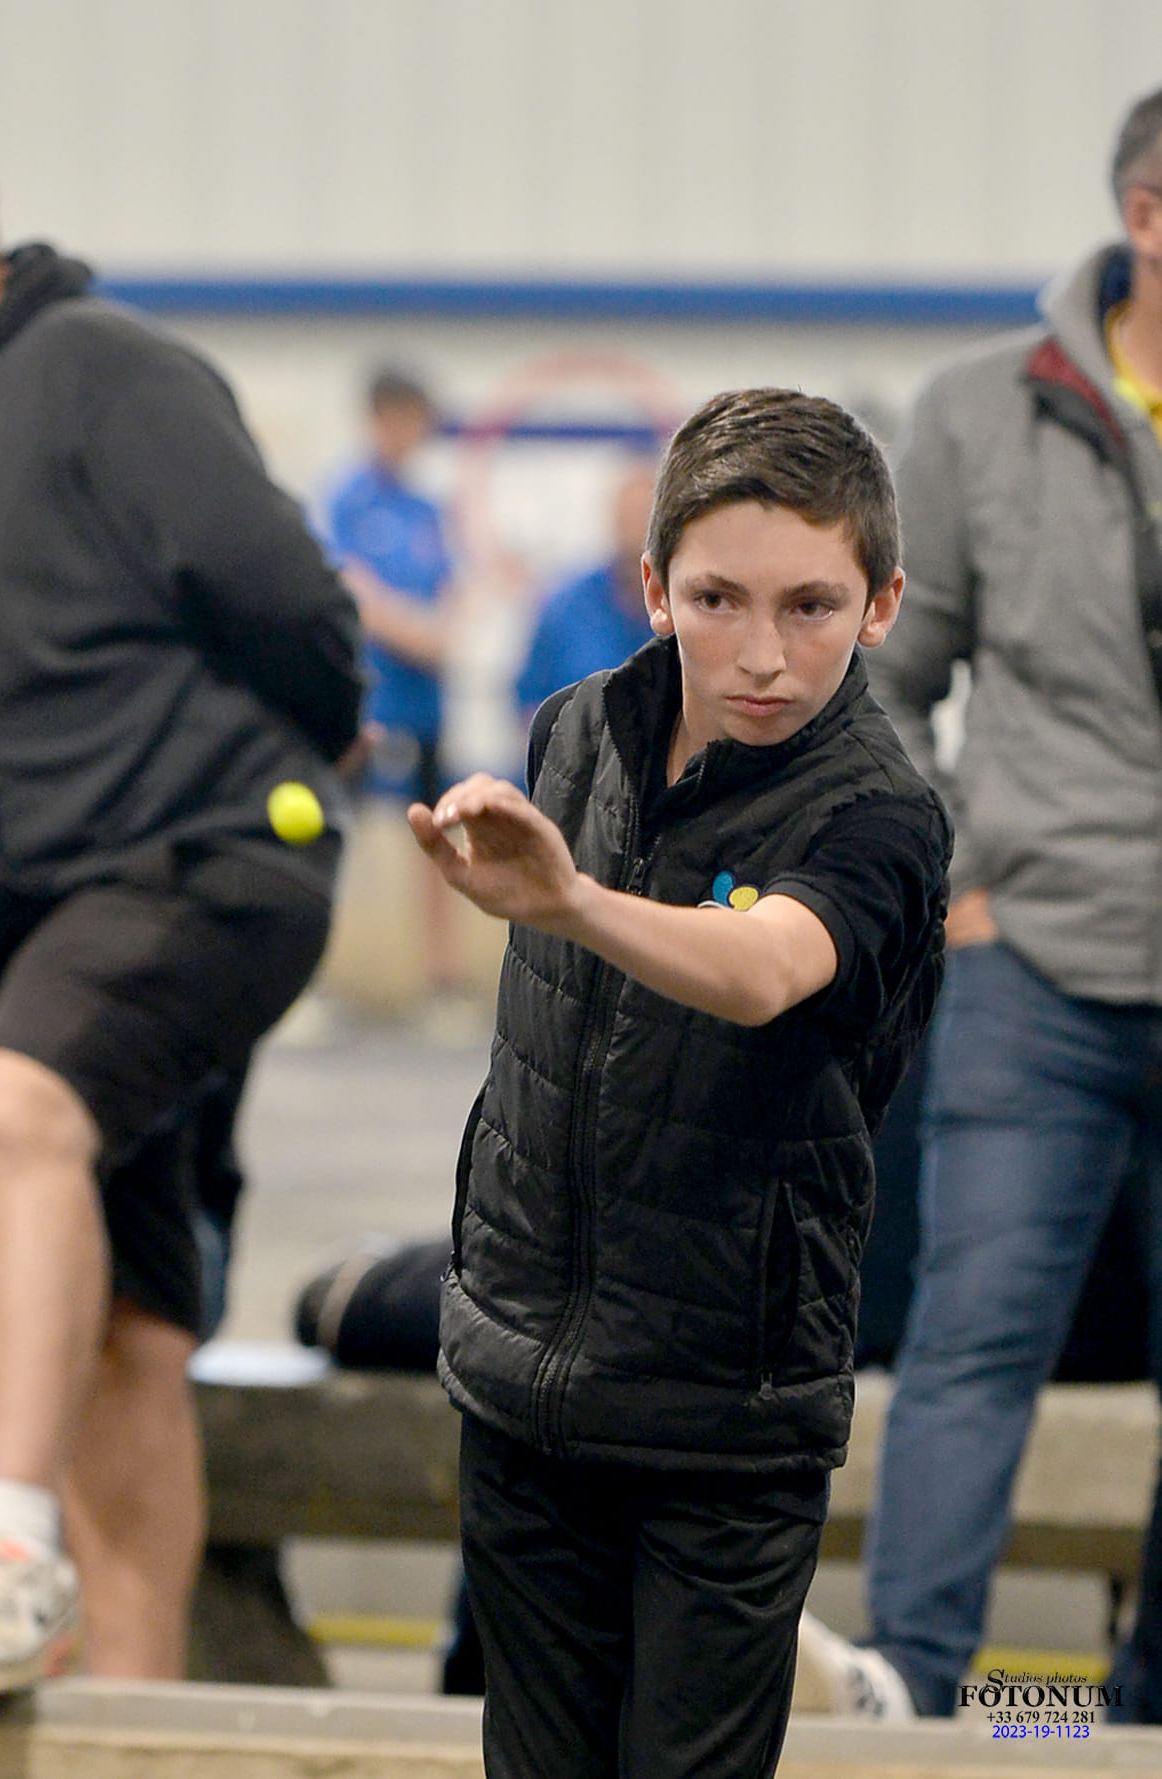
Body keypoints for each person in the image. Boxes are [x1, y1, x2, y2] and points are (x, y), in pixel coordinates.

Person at [406, 386, 951, 1778]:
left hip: (724, 1417)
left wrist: (573, 899)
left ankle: (939, 1684)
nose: (761, 652)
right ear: (653, 586)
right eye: (716, 597)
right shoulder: (574, 730)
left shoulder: (879, 812)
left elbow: (765, 964)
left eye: (812, 606)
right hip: (524, 1383)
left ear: (882, 603)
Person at [794, 84, 1162, 1725]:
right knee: (970, 1341)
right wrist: (954, 884)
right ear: (1144, 218)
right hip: (1039, 972)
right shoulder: (977, 413)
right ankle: (919, 1688)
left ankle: (1135, 1708)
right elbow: (895, 681)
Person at [0, 156, 365, 1688]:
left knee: (13, 1112)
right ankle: (134, 1705)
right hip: (29, 919)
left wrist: (298, 741)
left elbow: (294, 610)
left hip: (200, 860)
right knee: (132, 1319)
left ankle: (9, 1544)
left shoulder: (102, 371)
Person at [323, 366, 465, 1009]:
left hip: (427, 705)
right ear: (380, 419)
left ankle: (437, 984)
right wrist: (420, 634)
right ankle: (321, 982)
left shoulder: (428, 510)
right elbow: (352, 592)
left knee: (436, 837)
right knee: (336, 837)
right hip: (366, 704)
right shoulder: (345, 500)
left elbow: (456, 593)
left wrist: (448, 633)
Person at [514, 458, 658, 718]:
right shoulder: (563, 608)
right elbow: (528, 701)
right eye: (628, 516)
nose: (637, 531)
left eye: (644, 517)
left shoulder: (688, 611)